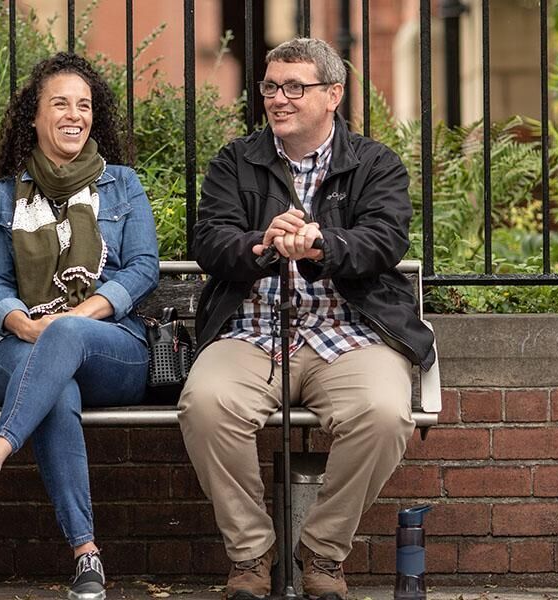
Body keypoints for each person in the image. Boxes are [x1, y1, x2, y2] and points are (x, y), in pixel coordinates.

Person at [178, 38, 436, 600]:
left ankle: (322, 553)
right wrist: (260, 244)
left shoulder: (374, 164)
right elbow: (210, 240)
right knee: (206, 404)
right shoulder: (235, 161)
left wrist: (323, 244)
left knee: (386, 412)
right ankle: (251, 556)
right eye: (271, 86)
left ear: (333, 95)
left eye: (295, 87)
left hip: (349, 334)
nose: (278, 98)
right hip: (252, 332)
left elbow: (384, 239)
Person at [0, 53, 159, 600]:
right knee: (55, 393)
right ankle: (87, 557)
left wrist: (70, 321)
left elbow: (143, 268)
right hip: (23, 342)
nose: (74, 115)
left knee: (64, 342)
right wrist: (25, 324)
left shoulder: (122, 184)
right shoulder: (1, 196)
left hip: (113, 344)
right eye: (59, 103)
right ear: (33, 119)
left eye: (83, 105)